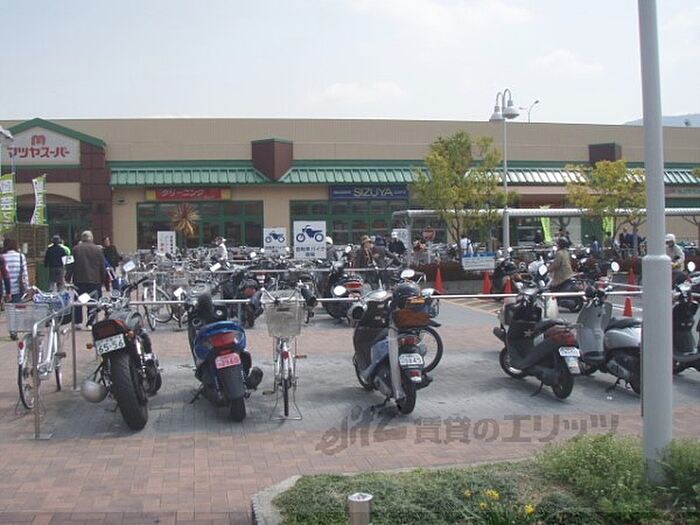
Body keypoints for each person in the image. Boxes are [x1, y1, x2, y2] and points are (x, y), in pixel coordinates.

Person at [66, 230, 107, 329]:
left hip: (79, 279)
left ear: (82, 238)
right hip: (95, 280)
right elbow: (102, 266)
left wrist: (67, 277)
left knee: (78, 301)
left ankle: (78, 322)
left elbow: (70, 265)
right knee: (92, 301)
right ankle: (90, 322)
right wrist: (103, 279)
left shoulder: (75, 249)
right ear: (91, 238)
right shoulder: (98, 250)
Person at [3, 238, 29, 339]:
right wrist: (27, 287)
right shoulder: (20, 256)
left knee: (9, 310)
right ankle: (15, 329)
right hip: (18, 288)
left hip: (5, 289)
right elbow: (24, 274)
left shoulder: (2, 257)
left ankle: (12, 330)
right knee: (17, 309)